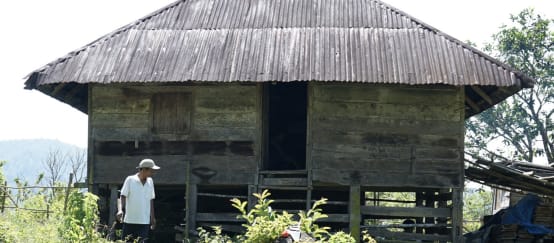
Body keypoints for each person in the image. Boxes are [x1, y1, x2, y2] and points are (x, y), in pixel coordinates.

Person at [116, 158, 160, 242]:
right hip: (129, 221)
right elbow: (122, 196)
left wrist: (153, 218)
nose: (153, 173)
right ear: (144, 169)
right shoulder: (130, 180)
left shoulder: (150, 182)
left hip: (144, 222)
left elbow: (150, 200)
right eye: (151, 170)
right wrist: (120, 210)